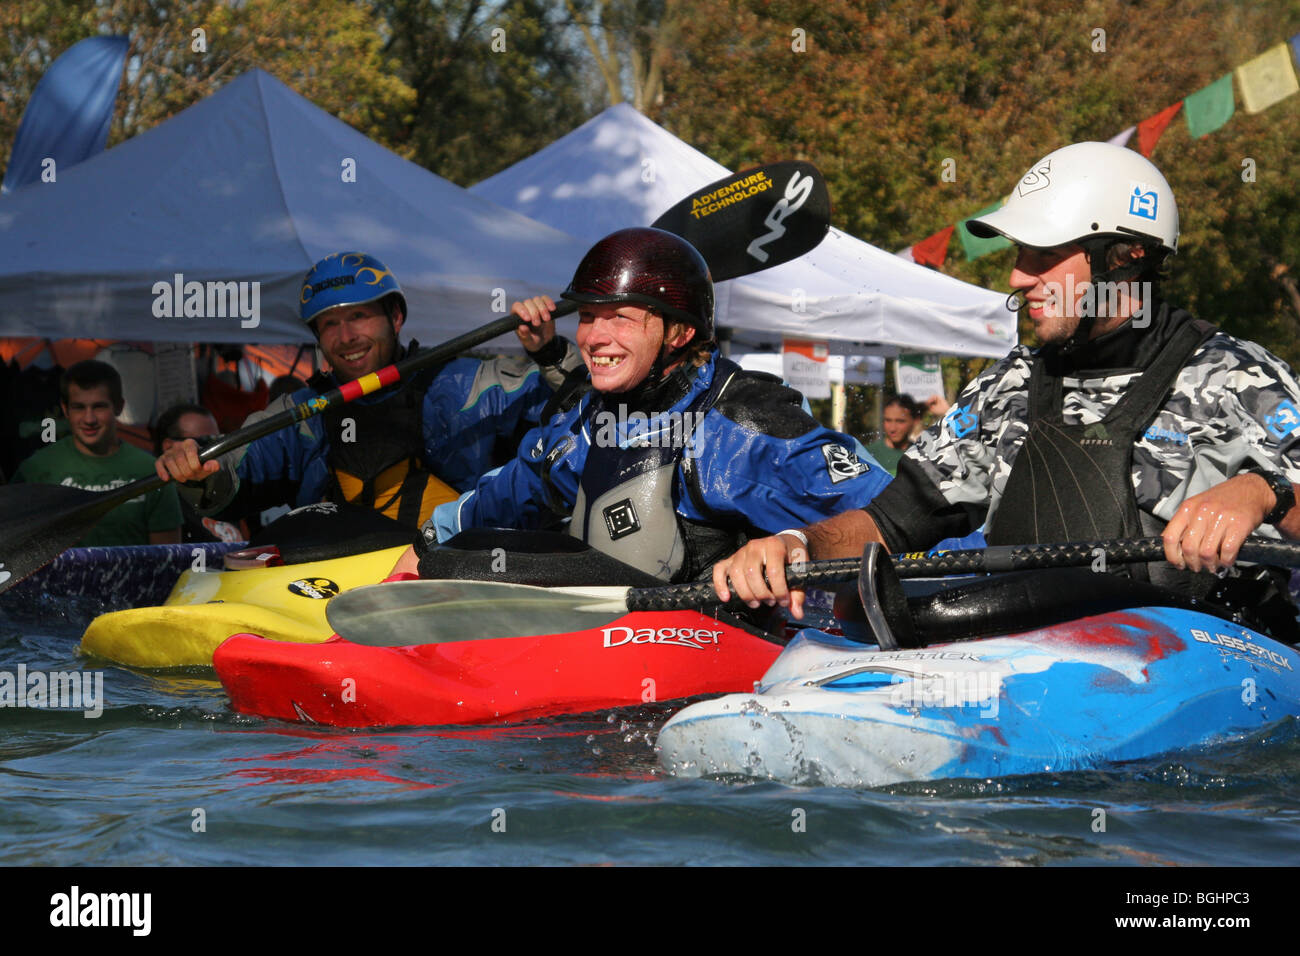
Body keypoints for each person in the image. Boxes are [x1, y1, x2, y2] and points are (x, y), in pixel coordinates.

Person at [713, 141, 1300, 625]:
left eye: (1043, 255)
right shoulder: (1008, 385)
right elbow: (892, 521)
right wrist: (799, 546)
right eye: (1021, 253)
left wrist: (1264, 490)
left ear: (1124, 255)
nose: (1019, 276)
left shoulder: (1236, 377)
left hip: (1204, 680)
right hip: (1035, 671)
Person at [391, 227, 891, 583]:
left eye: (621, 319)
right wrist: (426, 545)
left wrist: (792, 543)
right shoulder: (585, 422)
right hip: (599, 672)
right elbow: (504, 495)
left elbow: (895, 517)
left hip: (718, 680)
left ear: (680, 331)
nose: (594, 338)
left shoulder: (745, 427)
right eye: (588, 316)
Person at [155, 251, 581, 530]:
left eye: (358, 316)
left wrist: (550, 352)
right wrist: (199, 471)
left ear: (395, 317)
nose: (346, 337)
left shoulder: (470, 385)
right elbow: (233, 471)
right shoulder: (302, 414)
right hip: (329, 596)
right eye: (329, 325)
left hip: (444, 583)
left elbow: (581, 416)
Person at [14, 360, 182, 546]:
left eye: (99, 406)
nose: (89, 419)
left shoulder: (152, 471)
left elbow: (167, 557)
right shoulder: (36, 468)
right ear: (65, 409)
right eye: (79, 407)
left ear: (119, 406)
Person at [152, 403, 244, 543]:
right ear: (168, 446)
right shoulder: (160, 497)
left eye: (218, 440)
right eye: (203, 441)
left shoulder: (231, 485)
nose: (213, 449)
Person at [866, 394, 921, 476]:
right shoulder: (867, 455)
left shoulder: (923, 457)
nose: (892, 429)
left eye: (900, 421)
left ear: (915, 421)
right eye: (888, 420)